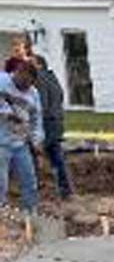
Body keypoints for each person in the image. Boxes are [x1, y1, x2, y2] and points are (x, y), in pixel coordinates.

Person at [0, 59, 43, 216]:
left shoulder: (33, 93)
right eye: (24, 83)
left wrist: (37, 140)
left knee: (29, 180)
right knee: (1, 182)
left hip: (21, 143)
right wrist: (7, 114)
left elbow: (36, 118)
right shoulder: (2, 81)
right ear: (17, 73)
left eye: (30, 84)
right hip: (1, 143)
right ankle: (2, 215)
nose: (26, 88)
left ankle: (31, 213)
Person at [33, 56, 72, 199]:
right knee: (56, 156)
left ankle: (40, 189)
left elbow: (41, 104)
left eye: (31, 63)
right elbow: (60, 97)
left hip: (47, 122)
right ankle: (64, 190)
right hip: (57, 121)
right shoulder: (52, 77)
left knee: (37, 154)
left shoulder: (40, 79)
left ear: (38, 65)